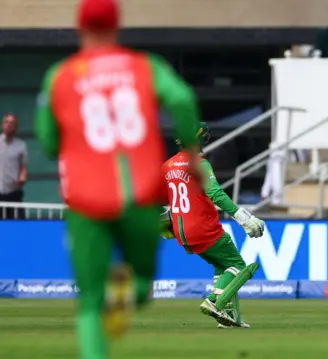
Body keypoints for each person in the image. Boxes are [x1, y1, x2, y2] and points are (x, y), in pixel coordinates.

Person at [34, 0, 202, 358]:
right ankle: (132, 291)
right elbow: (183, 99)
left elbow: (48, 141)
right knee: (143, 281)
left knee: (90, 303)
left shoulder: (60, 75)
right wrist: (190, 149)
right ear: (117, 25)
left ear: (79, 29)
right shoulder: (146, 67)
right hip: (140, 194)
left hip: (85, 200)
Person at [161, 122, 265, 329]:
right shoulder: (199, 163)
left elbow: (161, 199)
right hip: (204, 227)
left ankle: (227, 316)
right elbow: (215, 193)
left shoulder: (167, 166)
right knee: (237, 265)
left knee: (222, 265)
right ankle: (215, 302)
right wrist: (243, 217)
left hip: (182, 231)